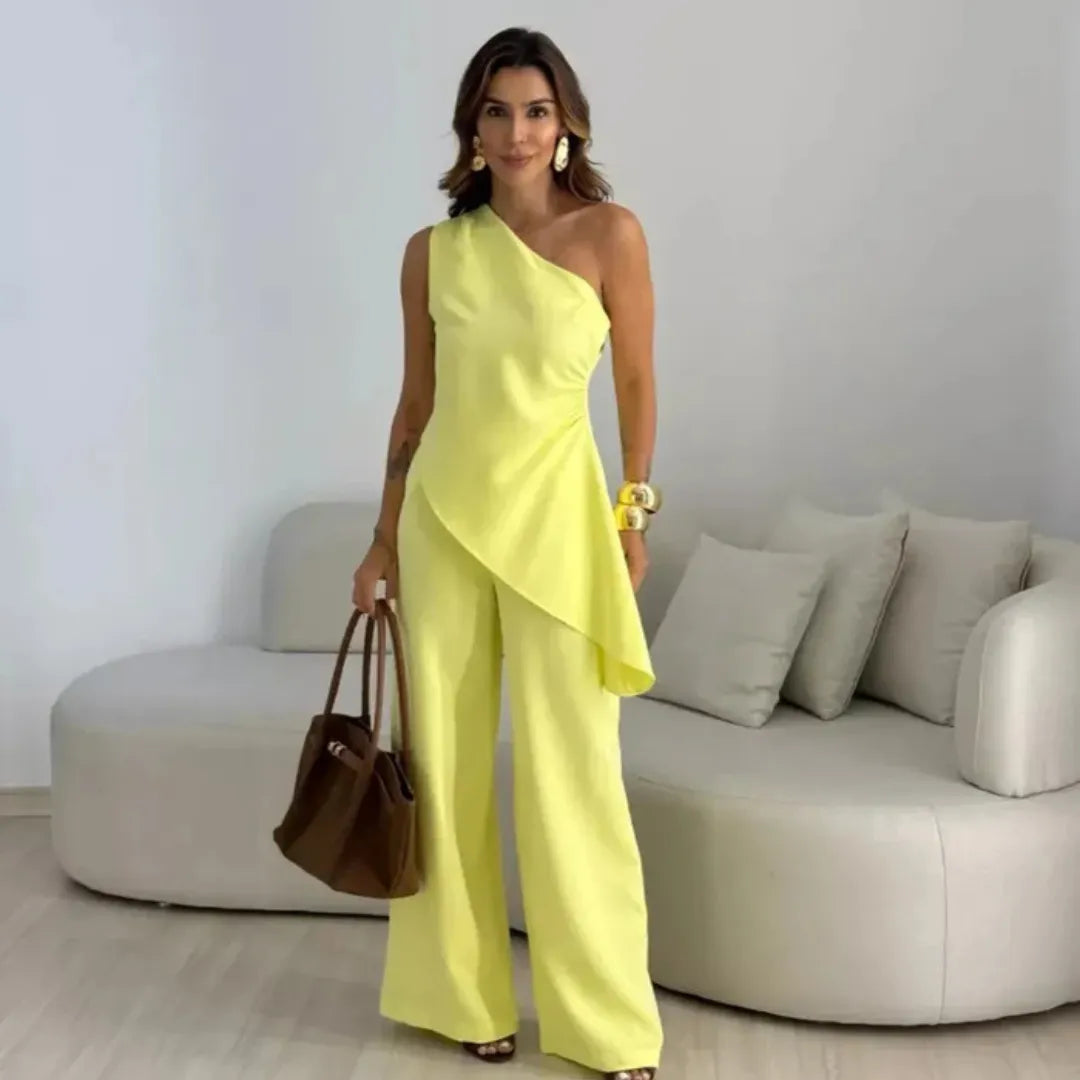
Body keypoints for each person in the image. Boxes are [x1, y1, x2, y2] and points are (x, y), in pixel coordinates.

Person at [351, 26, 664, 1080]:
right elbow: (416, 404)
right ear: (471, 128)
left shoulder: (611, 234)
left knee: (575, 775)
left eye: (536, 111)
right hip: (443, 521)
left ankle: (606, 1025)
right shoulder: (432, 253)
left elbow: (636, 384)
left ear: (565, 122)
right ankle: (461, 998)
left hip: (563, 526)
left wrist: (633, 514)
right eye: (497, 111)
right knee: (440, 766)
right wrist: (382, 538)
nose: (518, 132)